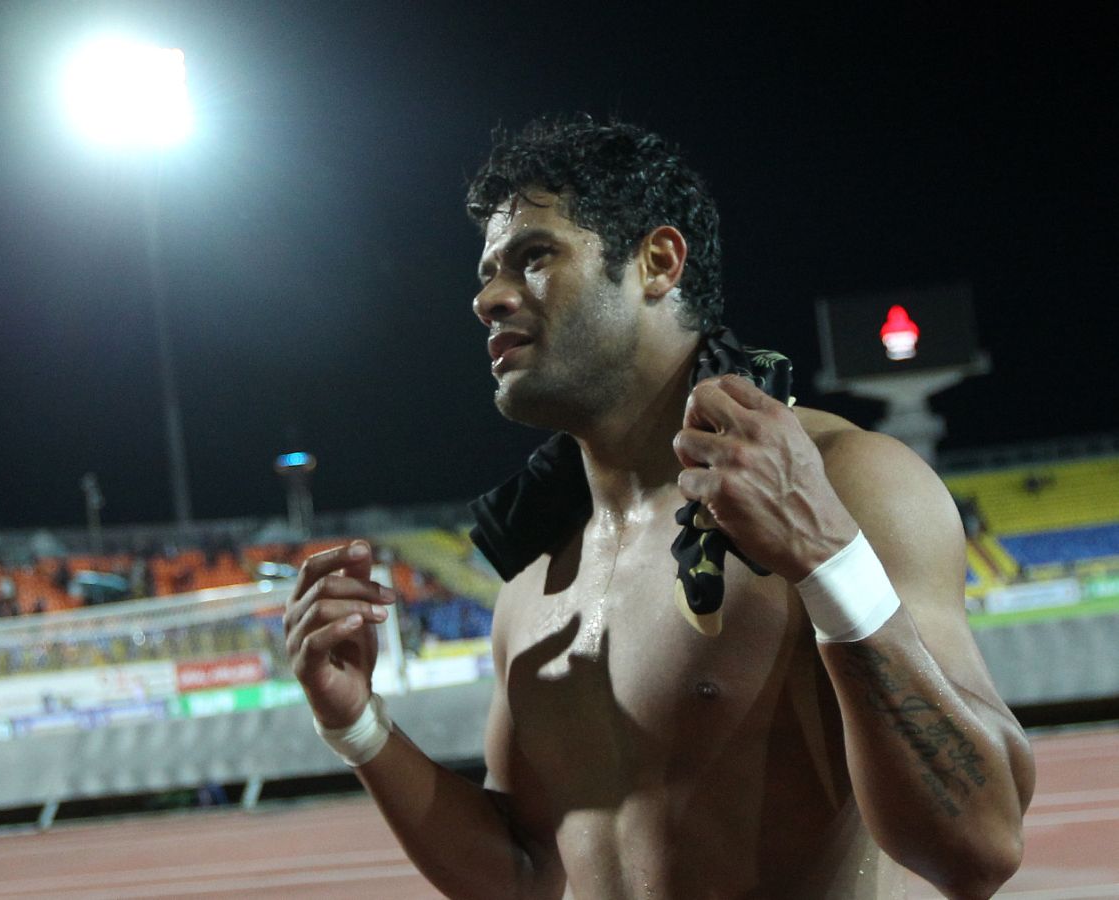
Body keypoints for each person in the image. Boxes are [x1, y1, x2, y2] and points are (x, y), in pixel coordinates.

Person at [283, 117, 1034, 899]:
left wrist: (827, 558)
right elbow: (525, 872)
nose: (488, 299)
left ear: (658, 262)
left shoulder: (845, 483)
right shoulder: (534, 581)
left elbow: (980, 849)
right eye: (487, 273)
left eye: (533, 257)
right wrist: (356, 723)